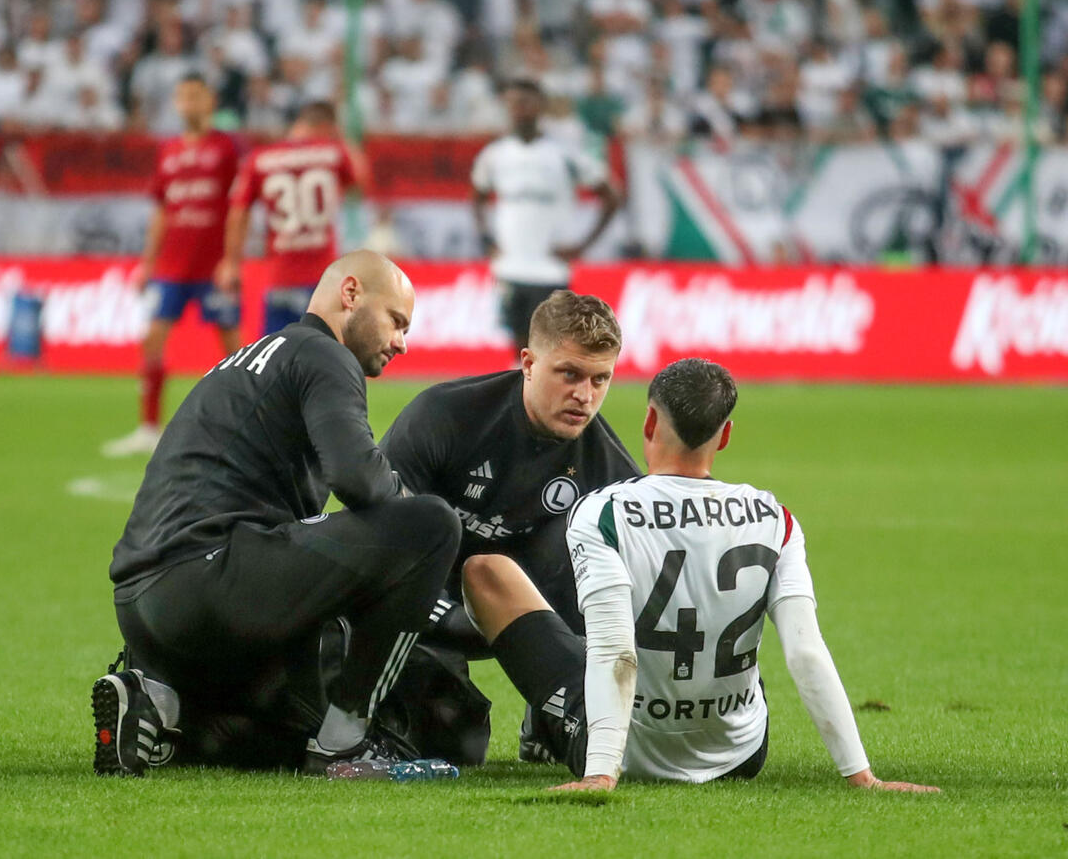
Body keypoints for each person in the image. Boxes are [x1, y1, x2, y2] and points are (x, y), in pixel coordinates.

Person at [460, 358, 941, 794]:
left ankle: (551, 730)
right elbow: (805, 651)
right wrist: (862, 776)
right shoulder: (775, 516)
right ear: (725, 435)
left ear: (649, 421)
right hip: (741, 755)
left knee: (488, 572)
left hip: (627, 750)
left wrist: (601, 772)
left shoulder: (604, 511)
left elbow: (614, 648)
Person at [94, 250, 462, 776]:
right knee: (431, 527)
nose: (402, 342)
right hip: (213, 581)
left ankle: (160, 707)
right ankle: (346, 742)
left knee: (280, 736)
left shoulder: (251, 356)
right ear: (350, 294)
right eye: (396, 322)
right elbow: (358, 480)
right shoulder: (325, 355)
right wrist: (408, 508)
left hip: (142, 606)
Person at [376, 289, 639, 764]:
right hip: (421, 606)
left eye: (601, 380)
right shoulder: (443, 417)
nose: (585, 395)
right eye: (570, 374)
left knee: (609, 572)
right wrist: (446, 617)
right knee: (452, 743)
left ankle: (546, 711)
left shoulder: (612, 475)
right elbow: (375, 541)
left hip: (529, 621)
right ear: (528, 362)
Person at [103, 73, 243, 456]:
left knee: (233, 350)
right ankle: (149, 427)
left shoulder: (227, 148)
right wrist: (147, 263)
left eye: (195, 96)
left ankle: (243, 426)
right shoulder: (169, 151)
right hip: (172, 267)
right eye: (181, 97)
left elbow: (239, 207)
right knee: (151, 341)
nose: (187, 104)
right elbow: (162, 210)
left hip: (213, 266)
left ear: (210, 100)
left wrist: (231, 260)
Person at [471, 78, 623, 353]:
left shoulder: (565, 153)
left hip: (550, 266)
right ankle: (521, 395)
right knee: (517, 343)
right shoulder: (495, 155)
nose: (520, 109)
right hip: (509, 264)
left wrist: (582, 244)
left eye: (526, 102)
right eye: (514, 103)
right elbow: (478, 196)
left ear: (540, 107)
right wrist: (486, 238)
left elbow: (611, 195)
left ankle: (545, 395)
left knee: (549, 343)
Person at [216, 100, 368, 336]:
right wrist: (342, 138)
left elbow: (238, 212)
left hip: (281, 276)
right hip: (324, 279)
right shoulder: (332, 152)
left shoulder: (261, 159)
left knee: (275, 359)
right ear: (328, 126)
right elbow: (361, 182)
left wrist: (231, 262)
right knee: (330, 360)